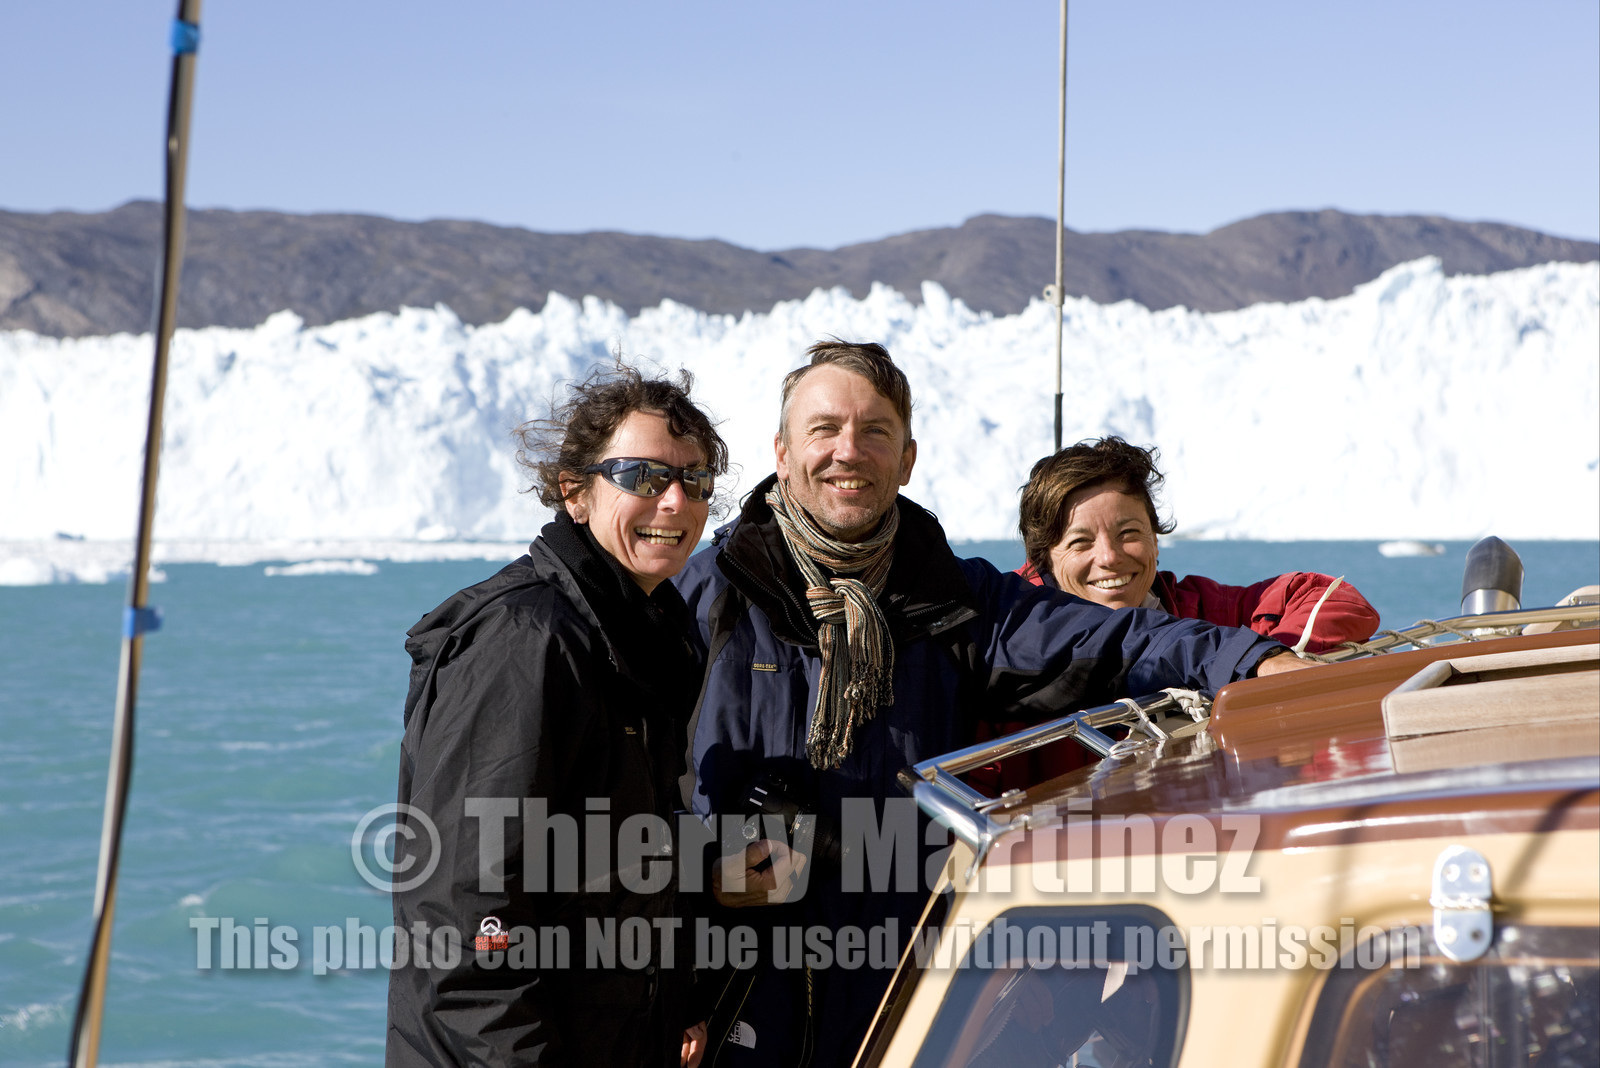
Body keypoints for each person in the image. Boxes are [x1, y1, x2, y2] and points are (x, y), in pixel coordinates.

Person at [672, 340, 1309, 1068]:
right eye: (825, 430)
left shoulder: (953, 601)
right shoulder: (703, 604)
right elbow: (614, 795)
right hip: (738, 999)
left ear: (907, 459)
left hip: (902, 996)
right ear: (783, 454)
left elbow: (1107, 640)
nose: (849, 451)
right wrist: (700, 883)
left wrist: (1249, 661)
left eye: (874, 431)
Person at [387, 365, 725, 1067]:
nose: (674, 502)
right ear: (575, 491)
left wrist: (677, 998)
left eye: (695, 482)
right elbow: (464, 915)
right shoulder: (527, 638)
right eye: (642, 477)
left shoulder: (648, 630)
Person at [1015, 436, 1380, 652]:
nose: (1110, 557)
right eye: (1081, 542)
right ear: (1044, 556)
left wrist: (1266, 661)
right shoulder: (1011, 634)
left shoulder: (1194, 610)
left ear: (1155, 540)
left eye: (1129, 534)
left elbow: (1331, 597)